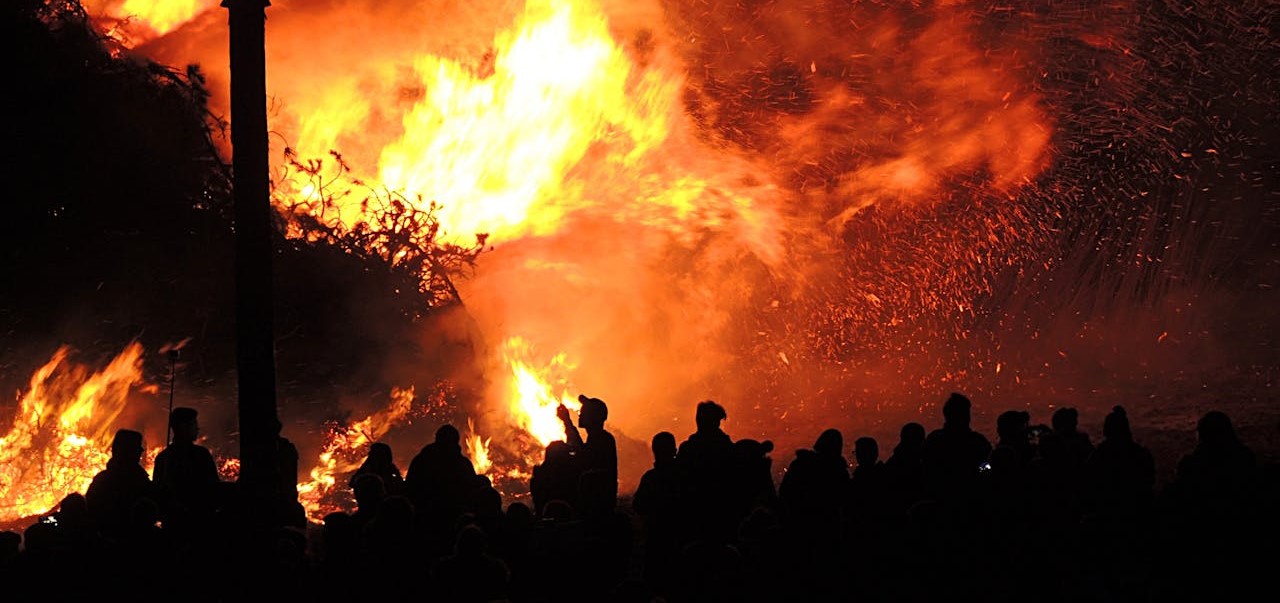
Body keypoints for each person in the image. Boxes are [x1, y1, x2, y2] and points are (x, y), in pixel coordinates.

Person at [152, 406, 222, 541]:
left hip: (173, 524)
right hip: (199, 522)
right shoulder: (200, 455)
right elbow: (213, 487)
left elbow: (158, 491)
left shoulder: (163, 457)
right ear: (182, 427)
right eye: (193, 424)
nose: (197, 428)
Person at [85, 428, 157, 543]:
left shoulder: (101, 480)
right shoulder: (139, 481)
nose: (141, 451)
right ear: (128, 451)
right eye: (137, 448)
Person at [556, 394, 618, 514]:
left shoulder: (601, 440)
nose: (580, 414)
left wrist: (567, 422)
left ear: (592, 417)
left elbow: (583, 458)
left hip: (597, 506)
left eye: (583, 412)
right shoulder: (600, 438)